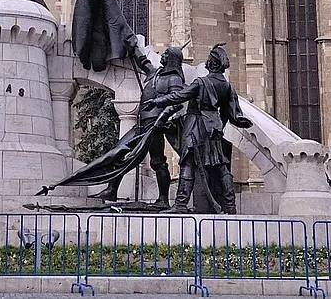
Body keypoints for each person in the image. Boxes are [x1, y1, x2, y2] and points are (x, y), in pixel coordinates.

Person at [150, 43, 252, 214]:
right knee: (221, 166)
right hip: (214, 127)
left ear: (212, 64)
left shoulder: (201, 82)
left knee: (188, 164)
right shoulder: (227, 87)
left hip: (196, 126)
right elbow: (232, 113)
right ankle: (231, 205)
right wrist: (221, 125)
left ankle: (180, 205)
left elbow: (179, 96)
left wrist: (158, 101)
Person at [97, 46, 185, 206]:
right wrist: (130, 45)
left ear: (172, 59)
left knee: (157, 161)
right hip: (141, 125)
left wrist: (162, 117)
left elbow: (176, 102)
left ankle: (163, 200)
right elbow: (143, 61)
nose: (162, 55)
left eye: (166, 54)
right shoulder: (155, 74)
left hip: (155, 126)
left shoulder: (174, 79)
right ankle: (112, 190)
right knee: (119, 151)